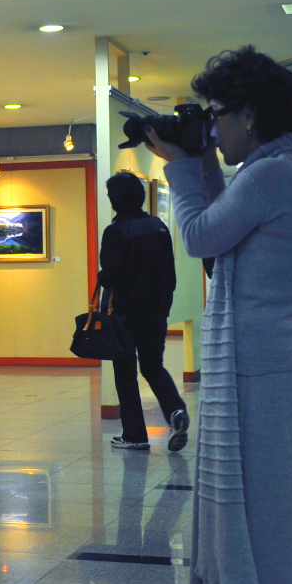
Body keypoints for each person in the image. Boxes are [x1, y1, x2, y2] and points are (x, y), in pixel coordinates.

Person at [144, 46, 292, 584]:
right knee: (281, 500)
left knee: (258, 502)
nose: (213, 128)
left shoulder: (267, 178)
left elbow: (200, 235)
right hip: (284, 360)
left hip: (256, 367)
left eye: (218, 115)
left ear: (249, 116)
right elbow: (228, 224)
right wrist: (205, 163)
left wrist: (181, 166)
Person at [96, 171, 189, 452]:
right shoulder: (158, 226)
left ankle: (135, 435)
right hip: (156, 310)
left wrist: (102, 276)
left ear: (117, 199)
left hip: (124, 313)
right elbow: (169, 271)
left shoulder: (116, 231)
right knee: (153, 366)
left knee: (125, 372)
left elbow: (110, 275)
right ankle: (175, 411)